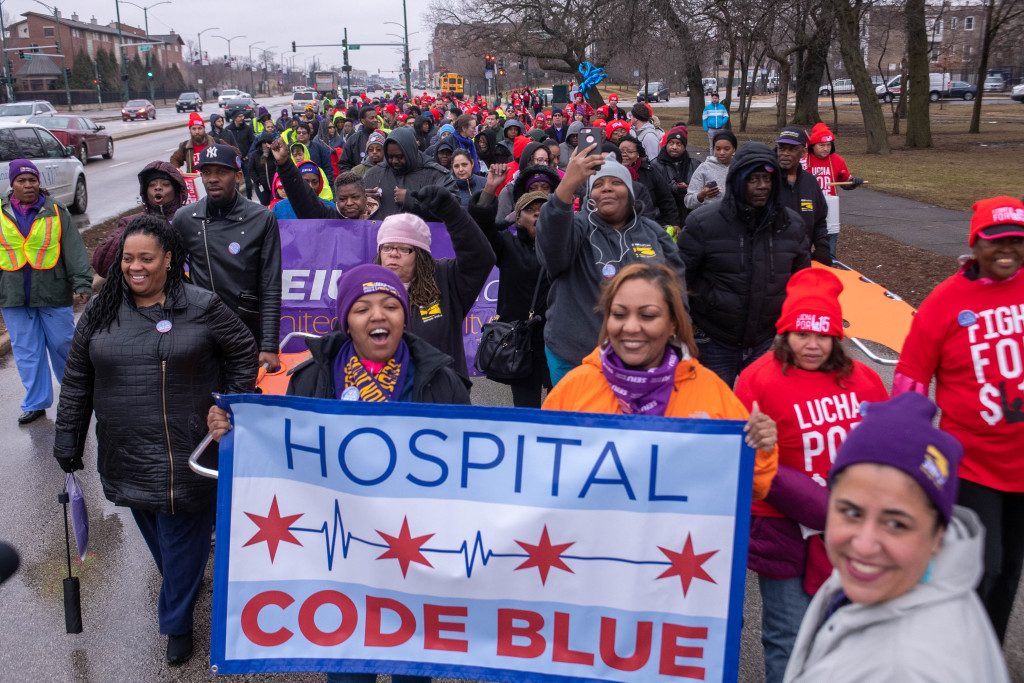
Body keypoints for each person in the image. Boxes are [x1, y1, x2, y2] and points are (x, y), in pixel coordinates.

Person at [206, 263, 467, 683]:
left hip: (413, 551)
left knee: (413, 667)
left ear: (404, 315)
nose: (378, 316)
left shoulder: (442, 380)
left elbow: (468, 471)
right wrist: (237, 435)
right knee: (348, 669)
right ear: (346, 320)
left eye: (389, 305)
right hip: (339, 557)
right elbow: (281, 453)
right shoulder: (311, 378)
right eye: (362, 308)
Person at [54, 216, 258, 665]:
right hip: (126, 450)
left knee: (182, 536)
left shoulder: (202, 305)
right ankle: (182, 583)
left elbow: (243, 348)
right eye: (128, 259)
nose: (135, 267)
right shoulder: (101, 311)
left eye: (146, 258)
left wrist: (230, 404)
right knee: (163, 539)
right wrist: (68, 438)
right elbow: (75, 379)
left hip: (189, 450)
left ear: (169, 259)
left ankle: (176, 625)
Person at [782, 392, 1010, 683]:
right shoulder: (901, 576)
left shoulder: (904, 669)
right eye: (851, 512)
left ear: (938, 533)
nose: (864, 545)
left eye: (896, 524)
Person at [735, 268, 889, 683]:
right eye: (802, 334)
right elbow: (744, 457)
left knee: (847, 631)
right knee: (789, 635)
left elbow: (886, 448)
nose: (812, 345)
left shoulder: (866, 382)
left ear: (837, 336)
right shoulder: (758, 379)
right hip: (781, 527)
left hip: (853, 529)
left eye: (823, 335)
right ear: (785, 333)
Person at [892, 196, 1024, 645]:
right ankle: (957, 653)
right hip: (972, 461)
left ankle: (987, 654)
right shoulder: (947, 300)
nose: (1007, 250)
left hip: (1022, 462)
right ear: (975, 243)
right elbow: (912, 371)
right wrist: (910, 439)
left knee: (1009, 571)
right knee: (979, 567)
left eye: (1016, 241)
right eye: (996, 241)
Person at [542, 262, 778, 500]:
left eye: (648, 315)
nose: (631, 327)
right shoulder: (574, 388)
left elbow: (754, 488)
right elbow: (537, 474)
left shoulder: (710, 390)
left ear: (673, 323)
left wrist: (760, 448)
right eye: (619, 314)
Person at [537, 144, 686, 385]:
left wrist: (680, 344)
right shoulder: (576, 227)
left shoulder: (654, 234)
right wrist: (567, 186)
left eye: (616, 182)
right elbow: (552, 253)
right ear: (589, 196)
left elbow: (677, 293)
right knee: (577, 422)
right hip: (575, 357)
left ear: (630, 192)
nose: (606, 187)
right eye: (598, 184)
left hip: (641, 358)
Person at [678, 141, 810, 387]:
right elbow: (677, 280)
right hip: (713, 341)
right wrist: (687, 330)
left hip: (768, 340)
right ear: (737, 181)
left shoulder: (791, 225)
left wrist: (791, 333)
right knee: (713, 416)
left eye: (767, 179)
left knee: (765, 415)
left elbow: (803, 284)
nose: (762, 186)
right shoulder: (703, 223)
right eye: (753, 179)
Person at [171, 144, 282, 373]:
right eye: (206, 172)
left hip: (247, 330)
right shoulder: (185, 218)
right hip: (201, 332)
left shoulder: (262, 218)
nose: (213, 179)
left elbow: (270, 285)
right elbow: (170, 274)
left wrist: (269, 344)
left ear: (238, 175)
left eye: (221, 172)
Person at [369, 186, 495, 378]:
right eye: (387, 247)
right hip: (384, 398)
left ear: (420, 255)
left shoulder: (444, 279)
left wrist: (452, 213)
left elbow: (480, 258)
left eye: (403, 248)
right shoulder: (365, 289)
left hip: (441, 396)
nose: (393, 253)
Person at [0, 159, 92, 424]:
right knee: (27, 350)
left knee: (64, 344)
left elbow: (72, 248)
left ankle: (75, 396)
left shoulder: (55, 210)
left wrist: (82, 282)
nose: (28, 185)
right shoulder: (2, 211)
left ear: (39, 182)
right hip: (13, 295)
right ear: (12, 184)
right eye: (22, 180)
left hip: (52, 290)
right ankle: (36, 403)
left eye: (32, 180)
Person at [92, 162, 187, 278]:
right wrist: (133, 230)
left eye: (165, 184)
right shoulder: (131, 222)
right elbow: (102, 267)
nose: (158, 187)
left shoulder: (188, 220)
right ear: (145, 192)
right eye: (152, 185)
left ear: (177, 191)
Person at [362, 127, 458, 219]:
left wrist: (412, 201)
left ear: (410, 152)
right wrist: (360, 199)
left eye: (399, 156)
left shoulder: (436, 175)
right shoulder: (373, 175)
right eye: (390, 156)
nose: (394, 161)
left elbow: (452, 210)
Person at [800, 123, 863, 260]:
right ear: (813, 145)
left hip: (829, 210)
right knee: (802, 251)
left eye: (828, 145)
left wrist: (853, 182)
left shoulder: (837, 160)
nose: (826, 149)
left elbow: (845, 182)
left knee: (829, 253)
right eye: (822, 145)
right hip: (807, 208)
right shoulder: (804, 160)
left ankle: (829, 269)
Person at [775, 125, 831, 265]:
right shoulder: (768, 181)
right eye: (782, 148)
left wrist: (822, 247)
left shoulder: (810, 182)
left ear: (803, 152)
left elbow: (820, 221)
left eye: (792, 149)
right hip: (773, 262)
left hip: (802, 260)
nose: (785, 153)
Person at [617, 135, 679, 226]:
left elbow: (666, 199)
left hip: (648, 224)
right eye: (621, 151)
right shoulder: (610, 172)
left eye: (630, 152)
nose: (624, 154)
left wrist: (673, 223)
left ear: (638, 153)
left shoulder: (649, 171)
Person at [650, 124, 699, 224]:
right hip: (663, 218)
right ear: (666, 144)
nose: (674, 147)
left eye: (679, 144)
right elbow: (653, 192)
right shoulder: (655, 165)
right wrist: (672, 187)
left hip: (689, 216)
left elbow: (700, 189)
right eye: (671, 143)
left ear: (684, 146)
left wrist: (688, 189)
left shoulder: (694, 164)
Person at [684, 130, 735, 211]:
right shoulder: (704, 168)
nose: (722, 152)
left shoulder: (740, 168)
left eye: (726, 149)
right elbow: (688, 201)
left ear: (734, 149)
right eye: (718, 149)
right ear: (713, 149)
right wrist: (702, 195)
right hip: (711, 219)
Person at [337, 105, 380, 172]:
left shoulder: (385, 137)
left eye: (376, 117)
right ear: (363, 121)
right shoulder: (353, 140)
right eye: (372, 118)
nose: (375, 120)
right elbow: (343, 164)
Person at [225, 110, 256, 200]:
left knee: (248, 179)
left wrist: (248, 155)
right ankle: (236, 198)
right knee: (236, 180)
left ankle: (249, 197)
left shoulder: (247, 129)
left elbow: (252, 143)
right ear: (235, 118)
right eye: (239, 116)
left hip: (245, 158)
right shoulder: (228, 130)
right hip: (234, 159)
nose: (242, 118)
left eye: (242, 116)